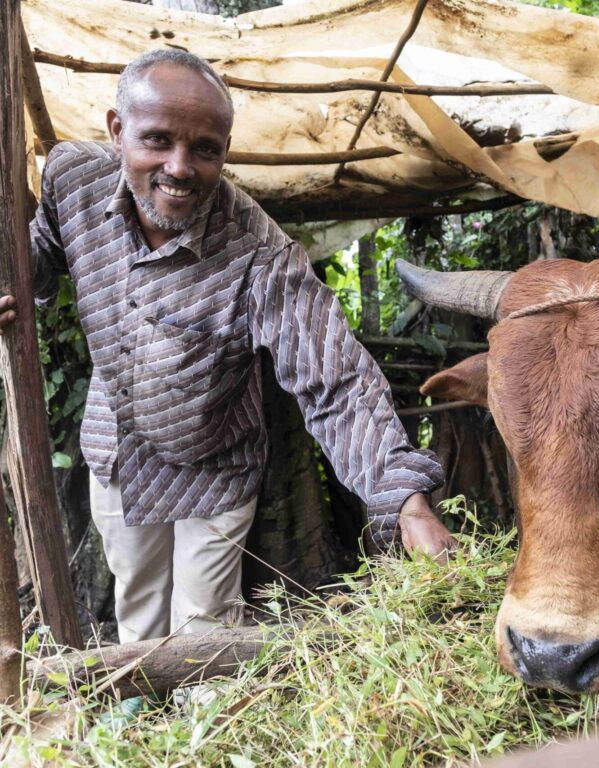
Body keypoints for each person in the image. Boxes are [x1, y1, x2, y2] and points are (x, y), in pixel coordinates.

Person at [0, 49, 455, 646]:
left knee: (205, 627)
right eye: (157, 140)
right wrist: (12, 278)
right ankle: (141, 728)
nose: (180, 167)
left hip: (215, 461)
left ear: (225, 149)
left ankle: (202, 727)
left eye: (205, 149)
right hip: (116, 445)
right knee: (135, 602)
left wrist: (406, 501)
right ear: (117, 131)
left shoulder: (259, 255)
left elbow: (335, 380)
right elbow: (40, 257)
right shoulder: (71, 179)